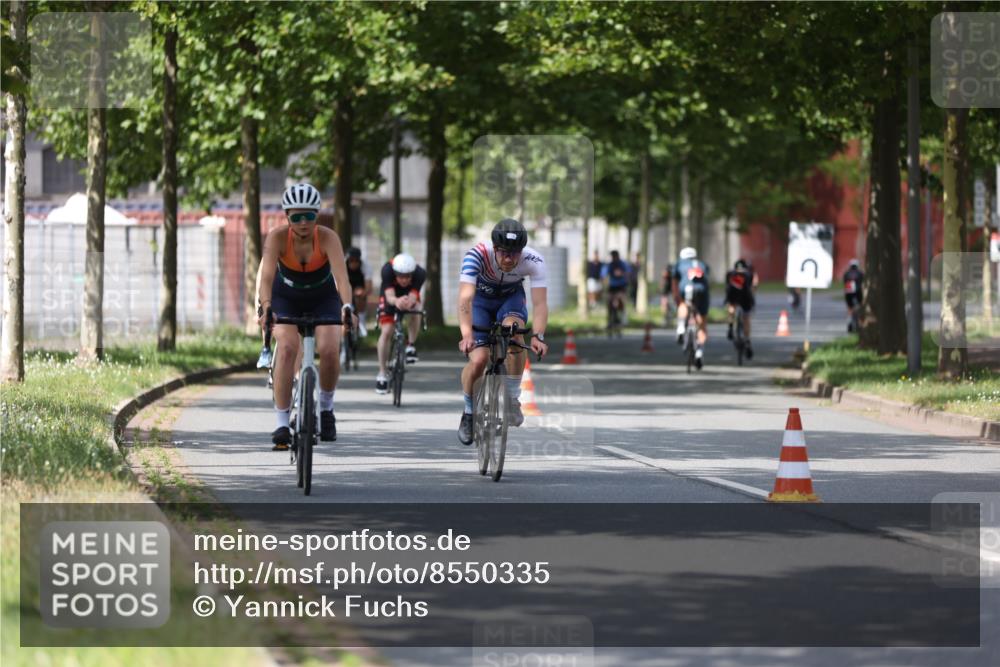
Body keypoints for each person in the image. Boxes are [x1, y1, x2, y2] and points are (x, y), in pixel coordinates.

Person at [256, 183, 353, 450]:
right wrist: (266, 307)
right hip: (285, 297)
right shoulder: (276, 238)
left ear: (317, 216)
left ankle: (326, 408)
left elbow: (342, 279)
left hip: (323, 297)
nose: (302, 222)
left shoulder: (328, 237)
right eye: (296, 216)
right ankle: (281, 422)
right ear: (287, 217)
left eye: (309, 216)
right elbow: (265, 278)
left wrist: (347, 307)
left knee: (330, 348)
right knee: (287, 348)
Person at [456, 218, 549, 446]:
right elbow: (465, 299)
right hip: (480, 303)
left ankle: (512, 398)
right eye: (504, 253)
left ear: (522, 251)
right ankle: (469, 412)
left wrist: (538, 335)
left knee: (515, 333)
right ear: (494, 249)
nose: (509, 259)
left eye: (514, 253)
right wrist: (467, 334)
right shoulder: (476, 255)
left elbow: (539, 304)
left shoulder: (534, 260)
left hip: (510, 300)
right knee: (479, 359)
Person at [375, 253, 425, 394]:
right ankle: (382, 373)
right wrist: (397, 301)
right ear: (395, 273)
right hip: (390, 295)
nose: (404, 279)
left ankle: (411, 345)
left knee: (416, 309)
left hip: (408, 294)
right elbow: (390, 296)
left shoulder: (420, 273)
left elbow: (414, 296)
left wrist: (409, 302)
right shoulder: (387, 270)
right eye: (401, 276)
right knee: (387, 331)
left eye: (408, 276)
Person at [673, 247, 711, 369]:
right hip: (702, 291)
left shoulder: (679, 264)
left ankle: (680, 328)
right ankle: (699, 352)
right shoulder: (702, 264)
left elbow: (674, 283)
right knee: (702, 324)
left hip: (686, 288)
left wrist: (677, 298)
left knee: (684, 304)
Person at [724, 258, 758, 359]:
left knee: (731, 306)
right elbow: (753, 286)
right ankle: (747, 340)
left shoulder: (730, 273)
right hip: (745, 297)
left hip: (733, 295)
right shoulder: (749, 273)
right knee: (746, 317)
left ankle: (730, 326)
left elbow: (727, 287)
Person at [345, 247, 372, 338]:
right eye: (351, 261)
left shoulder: (366, 266)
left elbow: (368, 287)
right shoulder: (342, 264)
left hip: (359, 284)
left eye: (356, 261)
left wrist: (363, 293)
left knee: (360, 297)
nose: (353, 264)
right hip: (346, 284)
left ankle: (362, 323)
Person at [601, 250, 630, 328]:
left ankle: (623, 316)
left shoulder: (623, 264)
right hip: (612, 286)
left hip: (621, 285)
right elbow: (603, 275)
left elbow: (628, 273)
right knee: (609, 301)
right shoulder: (609, 265)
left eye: (614, 256)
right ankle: (610, 319)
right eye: (612, 256)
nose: (613, 258)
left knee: (620, 300)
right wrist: (603, 284)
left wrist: (623, 276)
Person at [843, 258, 864, 332]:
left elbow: (844, 284)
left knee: (850, 308)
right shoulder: (860, 273)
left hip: (848, 293)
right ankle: (860, 323)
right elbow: (863, 284)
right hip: (858, 292)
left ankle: (849, 321)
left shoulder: (846, 273)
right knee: (860, 306)